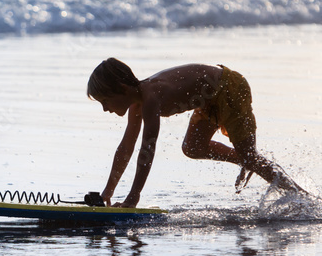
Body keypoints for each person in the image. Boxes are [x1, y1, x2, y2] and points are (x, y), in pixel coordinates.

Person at [87, 57, 305, 208]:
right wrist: (108, 192)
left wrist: (133, 196)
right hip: (209, 99)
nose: (105, 108)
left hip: (230, 88)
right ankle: (244, 160)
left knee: (251, 158)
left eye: (105, 102)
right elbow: (126, 148)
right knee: (192, 148)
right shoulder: (136, 106)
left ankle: (299, 195)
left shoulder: (151, 98)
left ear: (123, 89)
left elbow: (147, 149)